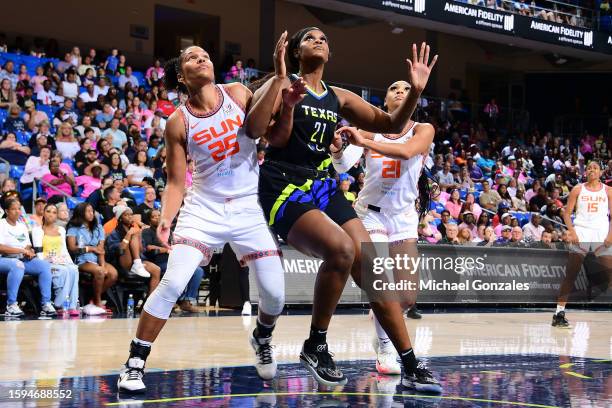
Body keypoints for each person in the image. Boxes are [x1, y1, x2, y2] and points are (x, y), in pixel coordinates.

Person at [250, 28, 439, 390]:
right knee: (341, 248)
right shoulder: (281, 82)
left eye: (323, 37)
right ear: (296, 51)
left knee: (373, 269)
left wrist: (415, 90)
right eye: (310, 38)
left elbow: (392, 124)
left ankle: (410, 362)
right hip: (283, 182)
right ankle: (316, 344)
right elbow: (263, 133)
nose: (319, 40)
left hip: (323, 183)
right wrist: (281, 89)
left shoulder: (338, 96)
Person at [117, 44, 286, 393]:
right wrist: (166, 218)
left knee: (274, 295)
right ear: (182, 75)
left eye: (205, 55)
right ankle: (135, 362)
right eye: (193, 57)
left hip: (246, 208)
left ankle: (262, 336)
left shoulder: (238, 93)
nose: (203, 58)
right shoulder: (177, 121)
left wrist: (284, 87)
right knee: (173, 281)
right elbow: (178, 181)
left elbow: (268, 133)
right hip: (203, 209)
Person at [333, 79, 436, 383]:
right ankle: (385, 347)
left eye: (406, 89)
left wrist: (364, 142)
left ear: (414, 99)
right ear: (386, 101)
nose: (400, 92)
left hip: (404, 218)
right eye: (393, 89)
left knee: (406, 296)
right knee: (382, 286)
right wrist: (340, 151)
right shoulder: (368, 129)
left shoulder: (423, 129)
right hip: (371, 216)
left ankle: (382, 319)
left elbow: (407, 152)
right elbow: (342, 166)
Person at [554, 161, 611, 328]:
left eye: (595, 168)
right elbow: (567, 213)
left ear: (601, 172)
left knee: (609, 275)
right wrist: (571, 231)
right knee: (571, 273)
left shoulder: (608, 191)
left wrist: (610, 235)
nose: (592, 170)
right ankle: (558, 313)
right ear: (585, 172)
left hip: (601, 233)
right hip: (582, 231)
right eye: (589, 168)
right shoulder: (578, 189)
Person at [0, 198, 57, 317]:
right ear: (6, 211)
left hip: (22, 258)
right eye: (13, 209)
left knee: (44, 266)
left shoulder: (21, 226)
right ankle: (11, 305)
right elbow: (1, 247)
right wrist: (21, 250)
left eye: (19, 209)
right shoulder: (2, 225)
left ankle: (46, 303)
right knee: (17, 265)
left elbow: (27, 244)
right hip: (5, 258)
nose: (17, 212)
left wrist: (29, 250)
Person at [142, 209, 204, 313]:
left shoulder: (168, 231)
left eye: (159, 215)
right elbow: (149, 247)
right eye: (154, 216)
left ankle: (187, 301)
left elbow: (175, 246)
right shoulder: (147, 232)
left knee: (198, 271)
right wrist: (166, 249)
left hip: (174, 260)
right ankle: (172, 300)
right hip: (158, 262)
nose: (157, 218)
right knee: (174, 270)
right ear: (149, 220)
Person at [66, 203, 118, 315]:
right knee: (100, 271)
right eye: (88, 211)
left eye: (92, 211)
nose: (91, 213)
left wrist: (103, 265)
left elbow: (101, 249)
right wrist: (90, 248)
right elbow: (72, 248)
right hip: (82, 260)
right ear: (81, 213)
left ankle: (93, 299)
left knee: (113, 274)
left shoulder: (99, 227)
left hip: (97, 259)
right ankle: (97, 302)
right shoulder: (74, 228)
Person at [32, 203, 80, 314]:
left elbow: (64, 249)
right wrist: (46, 262)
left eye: (54, 212)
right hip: (45, 261)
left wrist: (70, 263)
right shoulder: (38, 230)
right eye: (48, 211)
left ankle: (72, 305)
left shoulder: (61, 230)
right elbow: (39, 252)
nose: (51, 214)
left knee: (73, 269)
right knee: (64, 270)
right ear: (43, 213)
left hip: (60, 259)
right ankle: (61, 304)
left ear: (57, 215)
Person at [105, 205, 160, 286]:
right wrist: (128, 234)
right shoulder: (115, 233)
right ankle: (137, 264)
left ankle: (150, 298)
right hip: (121, 261)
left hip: (137, 261)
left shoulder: (136, 230)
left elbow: (142, 250)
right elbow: (119, 250)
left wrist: (139, 237)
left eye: (131, 214)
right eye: (126, 215)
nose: (130, 217)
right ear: (120, 218)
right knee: (132, 235)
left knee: (156, 270)